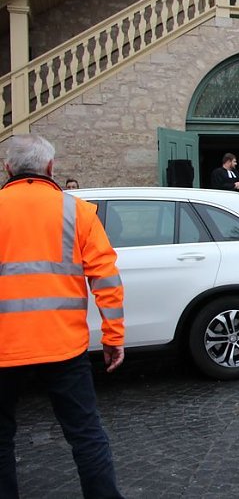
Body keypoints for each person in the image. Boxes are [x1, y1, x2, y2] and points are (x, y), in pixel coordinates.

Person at [0, 134, 125, 499]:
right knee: (86, 435)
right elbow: (107, 279)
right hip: (63, 347)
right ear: (50, 168)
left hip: (4, 348)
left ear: (8, 167)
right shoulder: (78, 211)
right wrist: (113, 336)